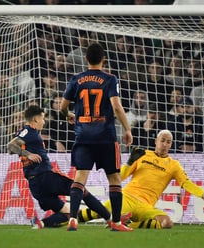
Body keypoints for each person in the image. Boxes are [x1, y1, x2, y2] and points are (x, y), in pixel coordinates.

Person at [78, 129, 204, 229]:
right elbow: (120, 177)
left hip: (146, 206)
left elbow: (186, 183)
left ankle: (129, 224)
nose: (164, 144)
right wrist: (130, 162)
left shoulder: (173, 165)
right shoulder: (142, 155)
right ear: (156, 141)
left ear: (171, 145)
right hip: (127, 197)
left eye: (168, 142)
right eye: (162, 140)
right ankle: (66, 218)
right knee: (95, 212)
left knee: (166, 222)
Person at [60, 42, 133, 232]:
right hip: (106, 137)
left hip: (83, 136)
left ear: (86, 59)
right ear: (103, 59)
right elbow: (116, 107)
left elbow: (61, 107)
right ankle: (116, 222)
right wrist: (127, 129)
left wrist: (68, 115)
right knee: (114, 179)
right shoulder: (110, 79)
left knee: (79, 178)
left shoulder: (76, 79)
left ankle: (73, 219)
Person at [6, 105, 113, 230]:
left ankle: (40, 223)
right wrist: (28, 154)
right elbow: (10, 146)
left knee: (67, 213)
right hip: (46, 177)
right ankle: (110, 219)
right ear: (35, 119)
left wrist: (26, 153)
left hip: (35, 185)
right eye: (42, 118)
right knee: (79, 189)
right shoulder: (29, 131)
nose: (44, 122)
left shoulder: (24, 133)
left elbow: (12, 148)